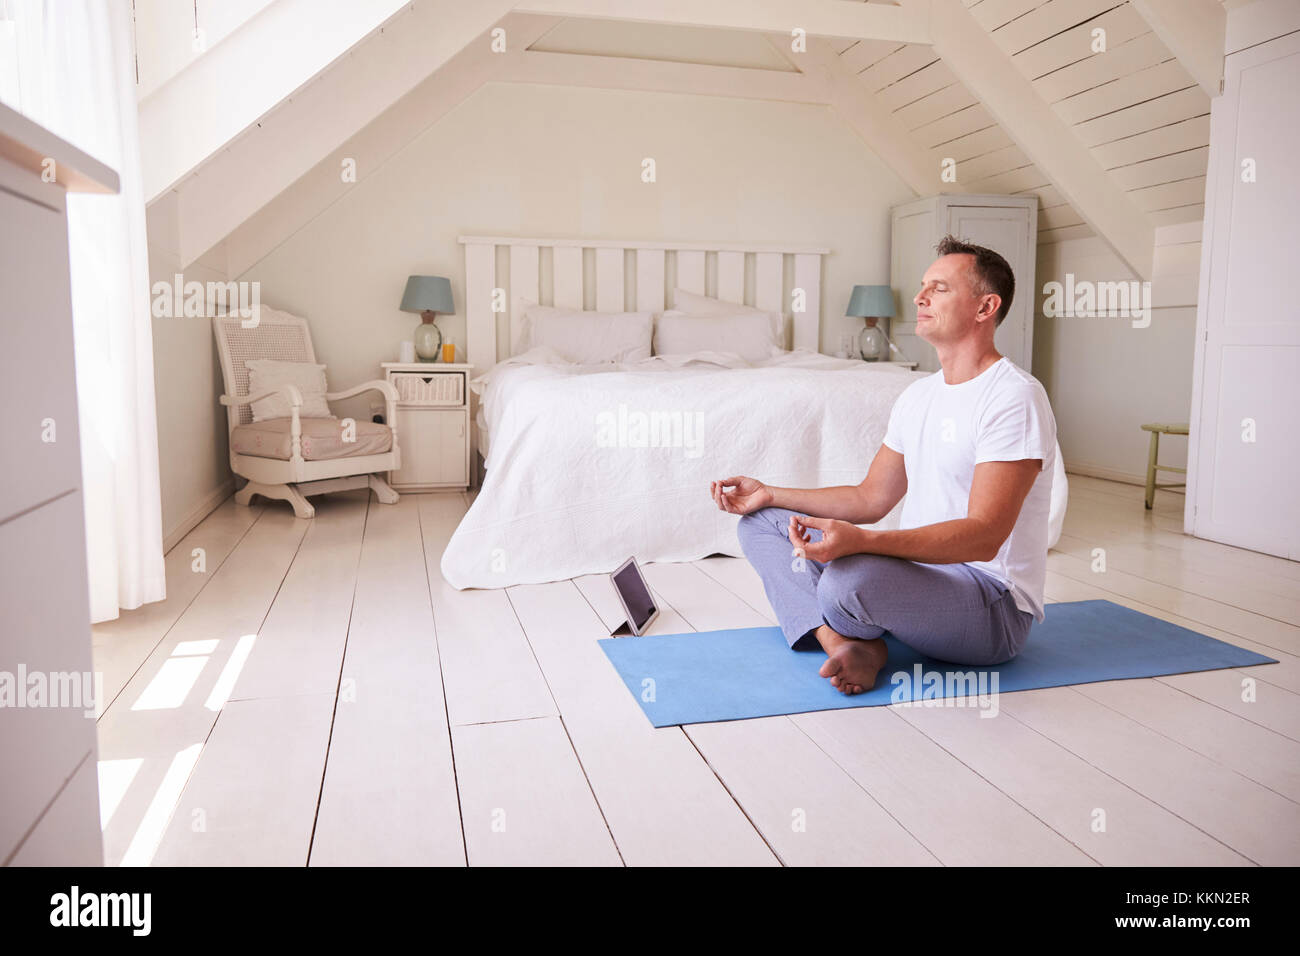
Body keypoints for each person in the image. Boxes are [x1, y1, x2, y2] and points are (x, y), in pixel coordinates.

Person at [710, 236, 1057, 695]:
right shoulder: (918, 395)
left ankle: (855, 625)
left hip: (992, 605)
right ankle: (846, 644)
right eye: (922, 286)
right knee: (760, 525)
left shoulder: (1013, 397)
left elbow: (986, 535)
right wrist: (770, 494)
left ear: (985, 307)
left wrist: (864, 544)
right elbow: (870, 497)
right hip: (921, 580)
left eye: (940, 288)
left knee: (848, 579)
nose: (919, 297)